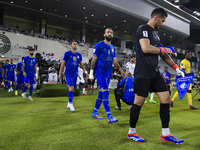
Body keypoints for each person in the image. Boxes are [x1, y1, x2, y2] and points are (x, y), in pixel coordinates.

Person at [127, 8, 185, 144]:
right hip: (143, 73)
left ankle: (166, 134)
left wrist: (177, 68)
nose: (163, 24)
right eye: (163, 21)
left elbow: (164, 55)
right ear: (156, 17)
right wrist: (162, 49)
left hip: (154, 73)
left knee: (166, 99)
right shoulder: (143, 29)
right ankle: (131, 132)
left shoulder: (156, 35)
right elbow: (146, 48)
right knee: (138, 102)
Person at [90, 28, 126, 123]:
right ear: (104, 34)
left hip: (108, 73)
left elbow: (114, 61)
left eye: (111, 33)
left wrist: (121, 70)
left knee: (101, 93)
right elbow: (94, 60)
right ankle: (109, 116)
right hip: (100, 73)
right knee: (106, 91)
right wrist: (91, 73)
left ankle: (95, 112)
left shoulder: (113, 47)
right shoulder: (99, 45)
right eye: (108, 32)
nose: (110, 34)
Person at [59, 41, 88, 112]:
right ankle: (71, 104)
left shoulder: (79, 55)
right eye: (74, 44)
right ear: (71, 45)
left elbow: (81, 65)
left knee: (73, 89)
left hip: (75, 74)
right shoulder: (67, 54)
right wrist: (60, 73)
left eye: (76, 44)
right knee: (71, 88)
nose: (75, 45)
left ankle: (69, 103)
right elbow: (62, 64)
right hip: (68, 74)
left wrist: (86, 72)